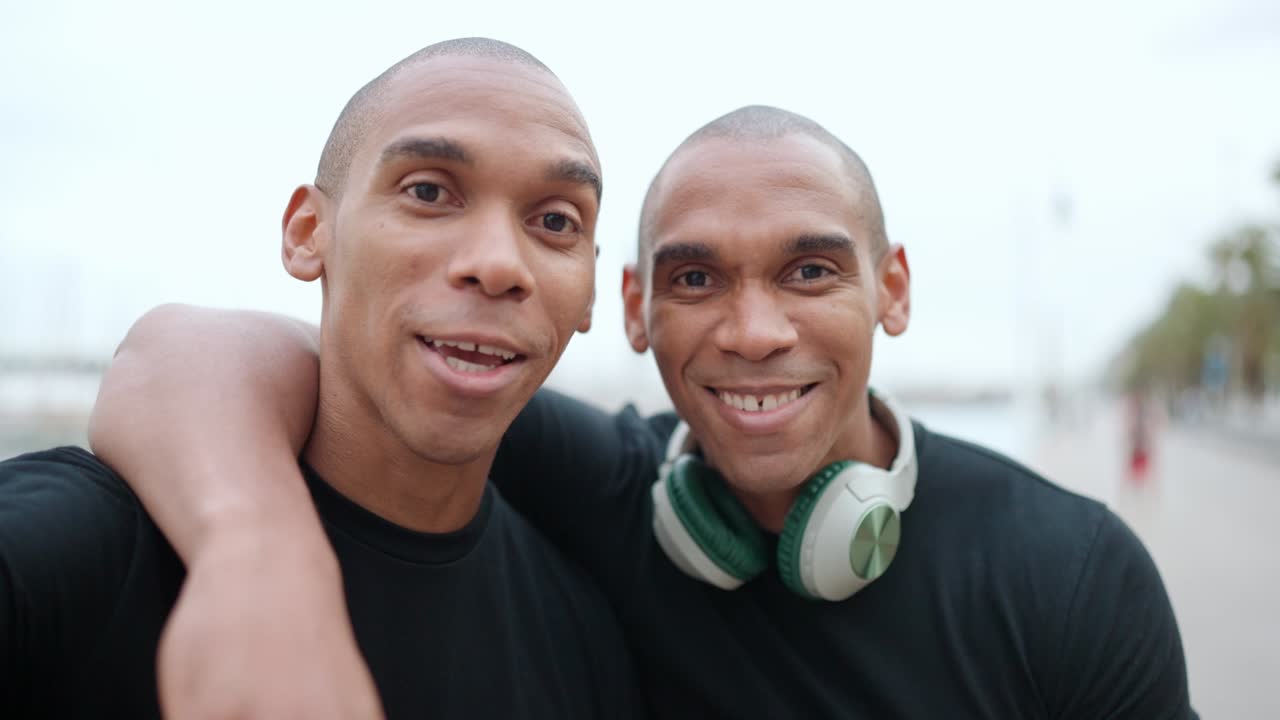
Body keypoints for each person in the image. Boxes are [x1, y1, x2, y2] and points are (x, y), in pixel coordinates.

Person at [92, 106, 1198, 718]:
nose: (753, 331)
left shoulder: (1072, 575)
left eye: (809, 271)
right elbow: (202, 352)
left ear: (891, 290)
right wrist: (258, 561)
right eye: (696, 279)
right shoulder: (609, 493)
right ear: (631, 309)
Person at [0, 38, 642, 719]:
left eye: (555, 221)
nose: (498, 264)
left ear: (589, 293)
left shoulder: (581, 634)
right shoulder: (82, 550)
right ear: (308, 232)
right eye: (428, 192)